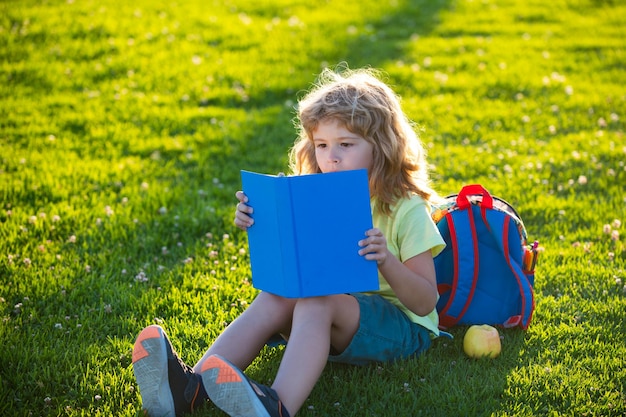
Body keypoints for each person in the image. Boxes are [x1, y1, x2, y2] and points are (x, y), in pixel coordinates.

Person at [132, 66, 446, 417]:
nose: (332, 157)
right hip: (344, 308)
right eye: (322, 145)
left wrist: (386, 259)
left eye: (346, 144)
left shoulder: (405, 207)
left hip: (402, 328)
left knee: (315, 303)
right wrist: (260, 222)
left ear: (382, 146)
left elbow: (425, 302)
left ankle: (277, 406)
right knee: (278, 295)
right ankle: (189, 391)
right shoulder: (319, 196)